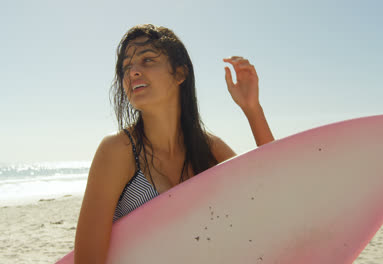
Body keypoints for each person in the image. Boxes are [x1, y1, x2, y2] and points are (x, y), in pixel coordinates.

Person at [73, 24, 274, 263]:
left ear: (180, 74)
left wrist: (252, 109)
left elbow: (270, 197)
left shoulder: (209, 149)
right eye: (126, 66)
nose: (132, 72)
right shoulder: (118, 151)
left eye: (147, 60)